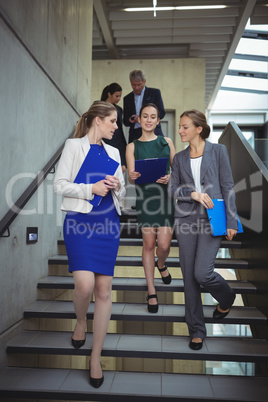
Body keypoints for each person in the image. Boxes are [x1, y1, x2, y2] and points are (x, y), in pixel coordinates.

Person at [54, 101, 126, 388]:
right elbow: (60, 185)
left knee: (104, 291)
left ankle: (95, 356)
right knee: (83, 286)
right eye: (112, 121)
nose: (116, 127)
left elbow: (124, 194)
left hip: (108, 223)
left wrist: (120, 187)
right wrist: (89, 188)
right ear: (98, 120)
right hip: (79, 222)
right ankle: (81, 320)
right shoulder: (73, 146)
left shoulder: (114, 152)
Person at [169, 109, 238, 351]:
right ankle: (197, 330)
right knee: (189, 277)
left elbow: (228, 185)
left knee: (202, 273)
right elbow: (172, 190)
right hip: (186, 220)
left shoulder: (218, 151)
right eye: (180, 126)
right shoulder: (178, 158)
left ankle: (227, 297)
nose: (180, 131)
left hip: (213, 218)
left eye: (185, 126)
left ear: (199, 128)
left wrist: (231, 221)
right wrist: (193, 194)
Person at [126, 103, 175, 313]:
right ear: (139, 119)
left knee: (163, 246)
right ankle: (151, 290)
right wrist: (131, 175)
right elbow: (130, 176)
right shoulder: (132, 146)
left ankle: (161, 264)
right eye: (144, 116)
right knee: (149, 244)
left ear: (157, 121)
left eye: (152, 117)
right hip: (145, 199)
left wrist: (171, 176)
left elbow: (180, 171)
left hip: (164, 198)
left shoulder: (167, 142)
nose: (148, 120)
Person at [123, 69, 165, 143]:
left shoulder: (154, 93)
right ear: (130, 82)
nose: (136, 87)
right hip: (135, 135)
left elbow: (161, 113)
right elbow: (125, 121)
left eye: (139, 84)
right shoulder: (127, 98)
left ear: (144, 81)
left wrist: (144, 117)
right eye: (134, 85)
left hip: (153, 132)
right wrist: (130, 119)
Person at [101, 83, 127, 173]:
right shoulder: (100, 106)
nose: (119, 98)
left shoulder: (119, 109)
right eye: (116, 96)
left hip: (118, 143)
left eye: (120, 96)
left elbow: (119, 129)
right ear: (109, 94)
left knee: (121, 170)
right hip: (104, 142)